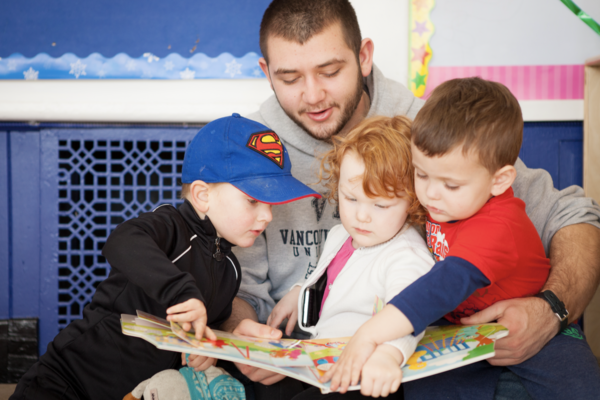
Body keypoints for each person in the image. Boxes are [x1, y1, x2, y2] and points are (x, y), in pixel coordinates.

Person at [224, 0, 600, 398]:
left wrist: (552, 308)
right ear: (266, 74)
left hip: (413, 347)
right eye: (289, 78)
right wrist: (242, 335)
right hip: (305, 357)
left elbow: (571, 215)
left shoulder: (432, 133)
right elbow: (236, 285)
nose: (313, 94)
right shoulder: (250, 151)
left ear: (364, 57)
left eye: (331, 72)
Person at [322, 78, 600, 399]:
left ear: (499, 180)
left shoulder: (499, 225)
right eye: (421, 174)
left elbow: (442, 285)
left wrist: (368, 335)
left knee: (583, 387)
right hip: (461, 329)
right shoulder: (438, 199)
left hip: (539, 331)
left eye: (451, 185)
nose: (429, 194)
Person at [10, 114, 321, 400]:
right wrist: (182, 291)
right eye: (254, 201)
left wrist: (213, 345)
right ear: (202, 195)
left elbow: (204, 325)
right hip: (67, 382)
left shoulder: (229, 269)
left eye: (271, 204)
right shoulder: (170, 226)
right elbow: (122, 240)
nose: (267, 215)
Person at [268, 115, 435, 399]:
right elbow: (328, 273)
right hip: (327, 359)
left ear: (413, 200)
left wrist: (389, 355)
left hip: (367, 376)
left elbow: (410, 315)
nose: (361, 215)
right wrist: (299, 291)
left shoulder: (406, 256)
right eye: (351, 198)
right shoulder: (341, 235)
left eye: (380, 205)